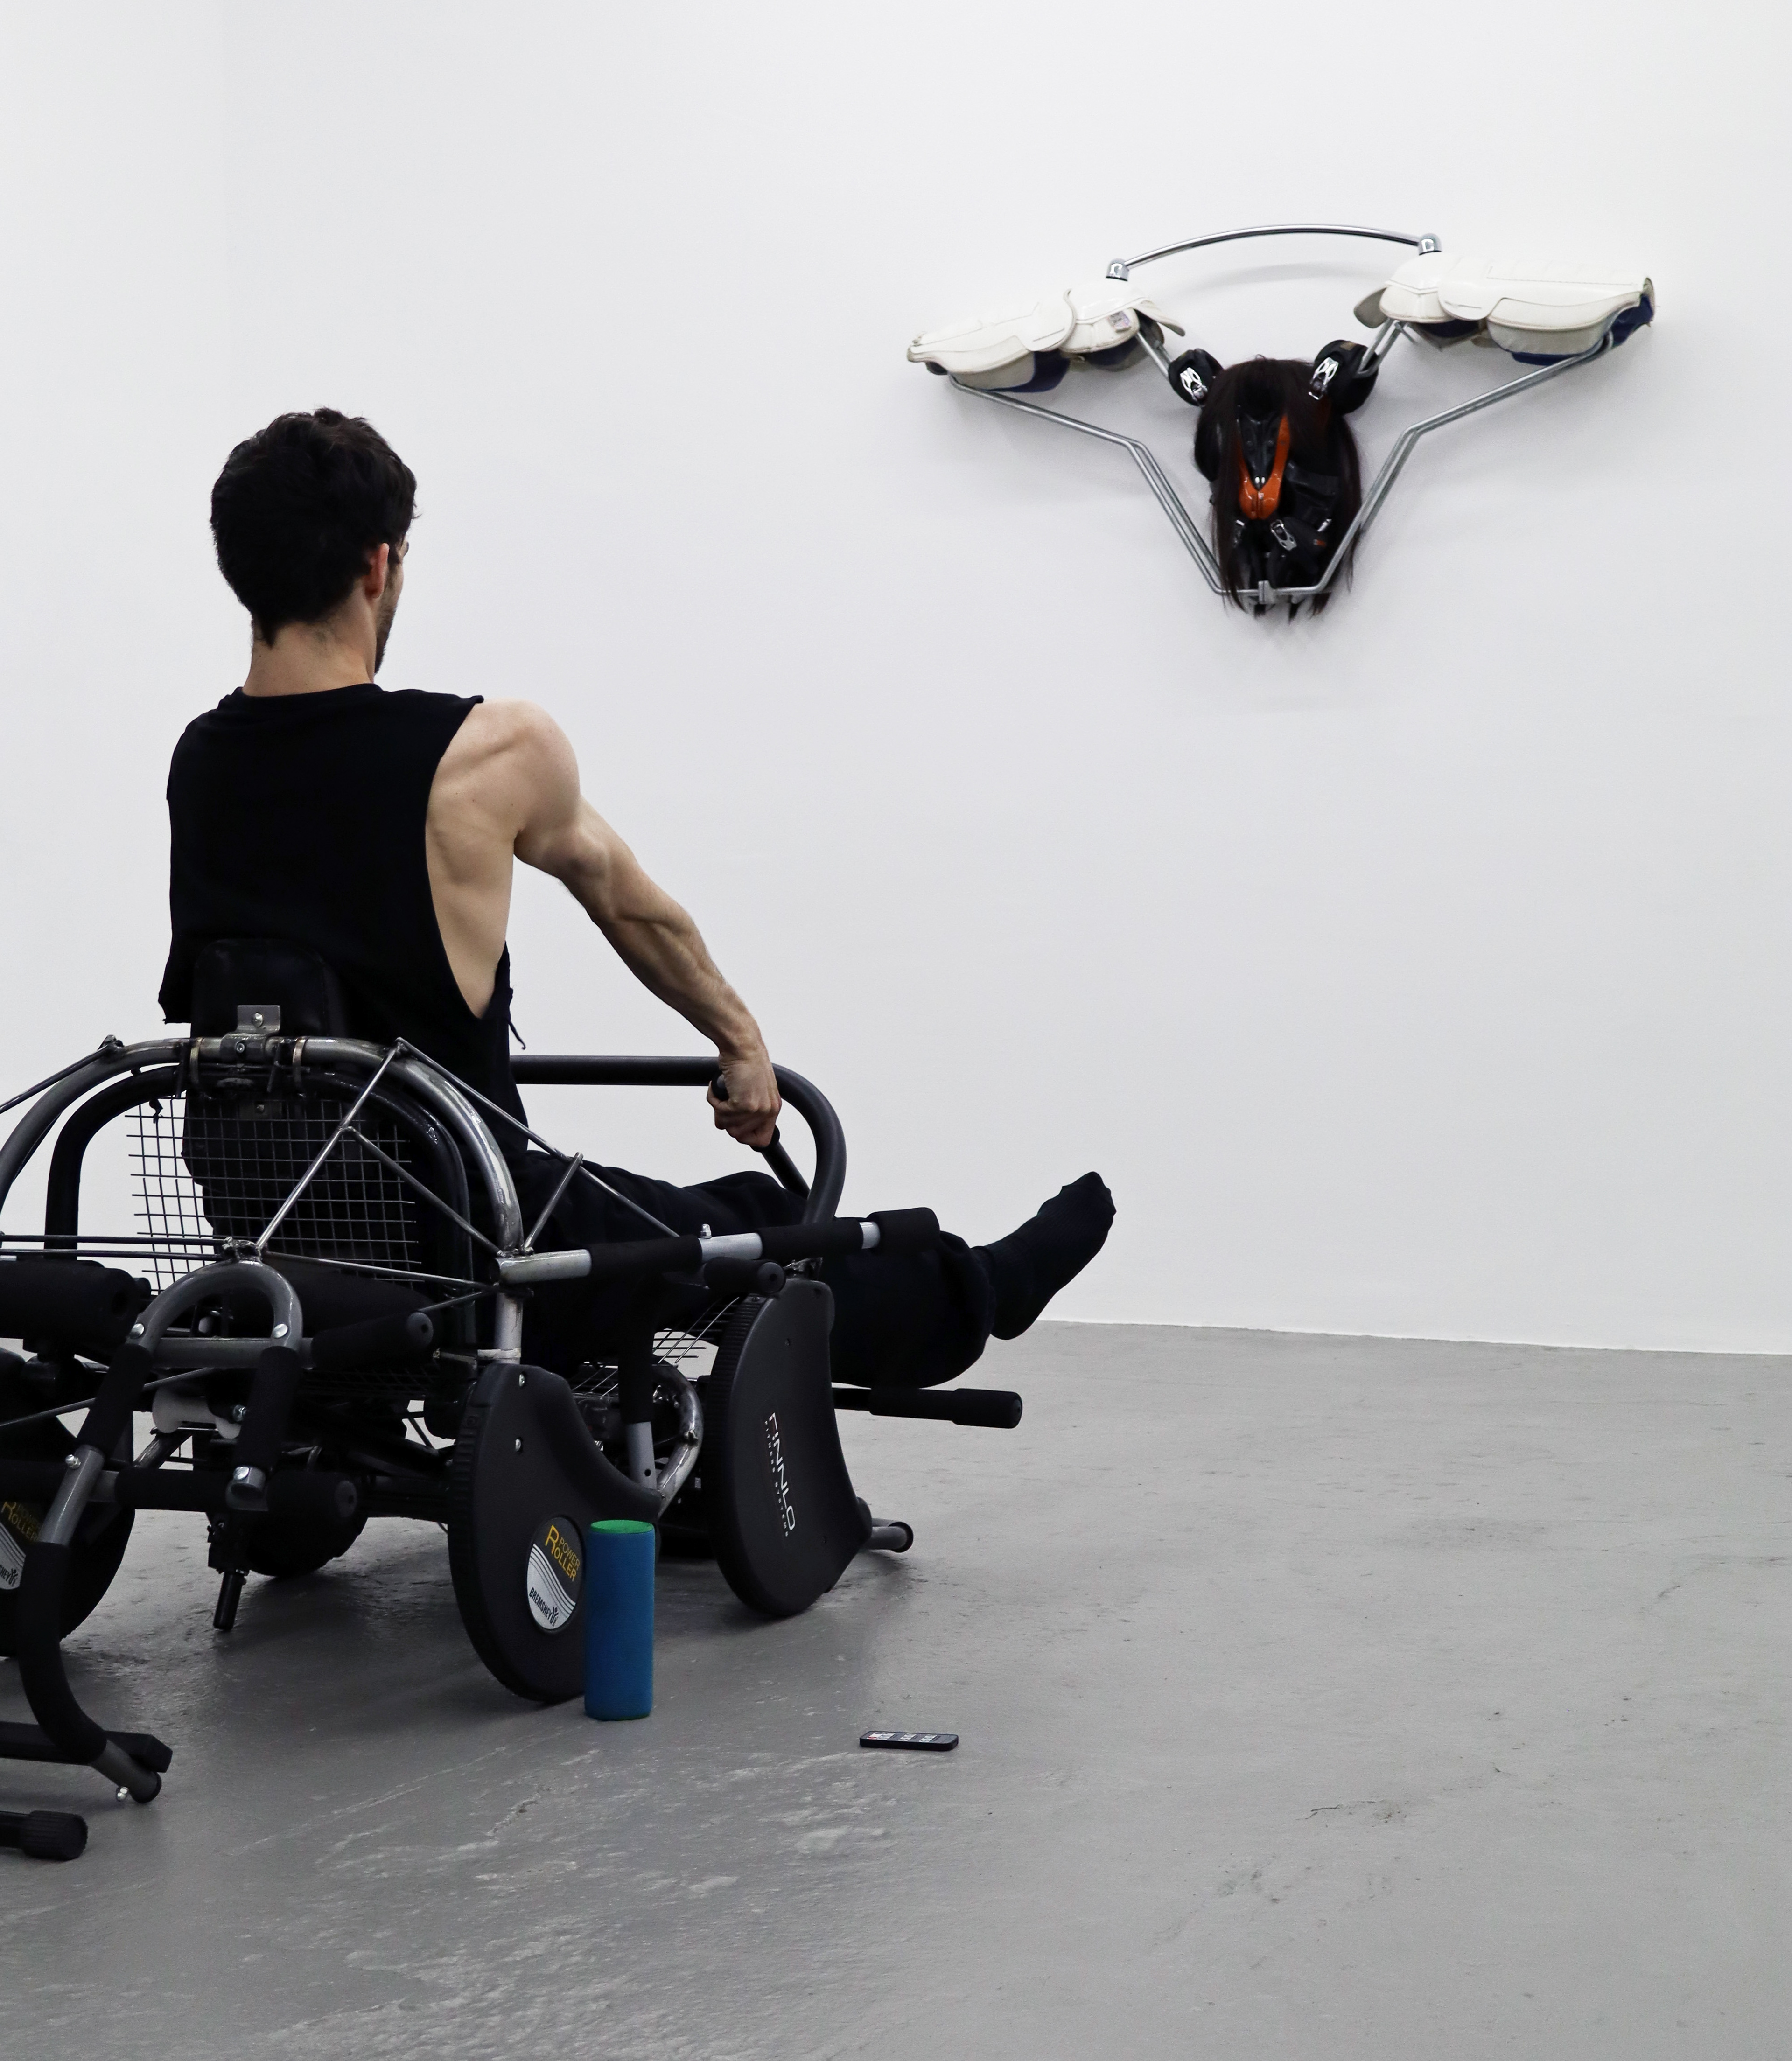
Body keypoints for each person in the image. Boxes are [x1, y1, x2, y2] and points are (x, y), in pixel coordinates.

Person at [159, 409, 1113, 1385]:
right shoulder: (487, 750)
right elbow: (630, 905)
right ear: (378, 565)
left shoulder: (200, 763)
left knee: (702, 1218)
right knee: (761, 1231)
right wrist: (742, 1043)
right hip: (474, 1231)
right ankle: (981, 1293)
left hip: (270, 1229)